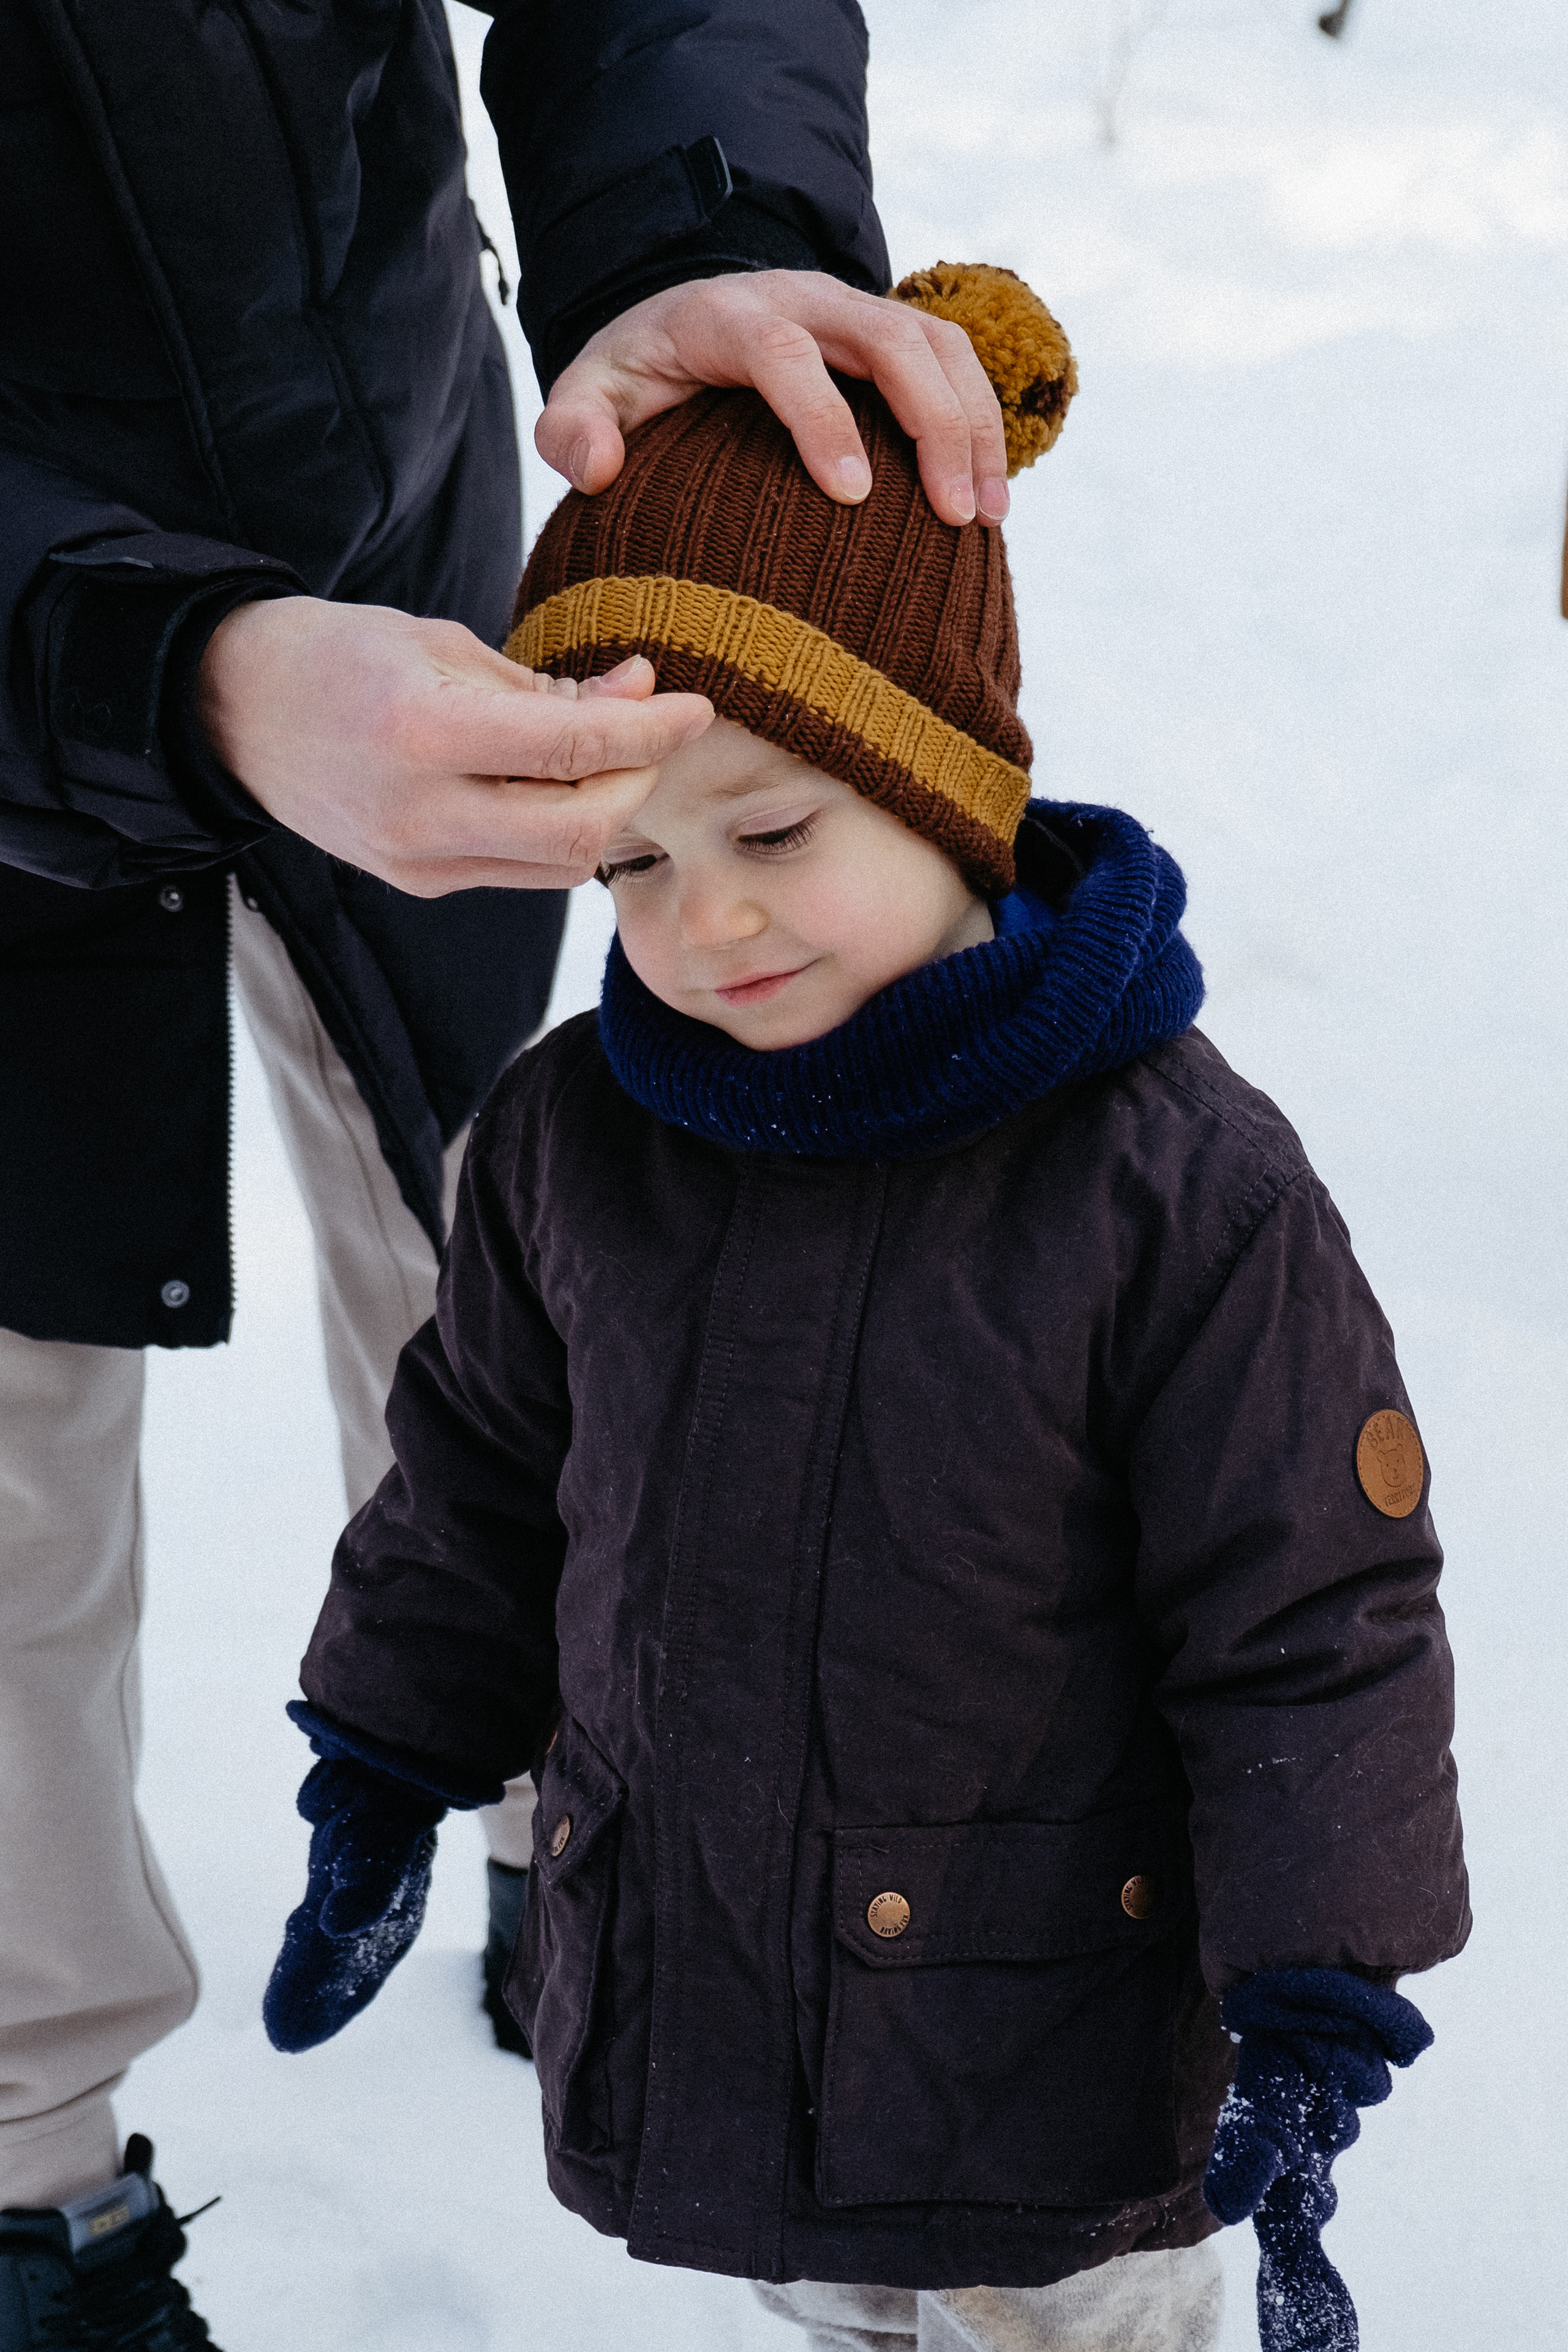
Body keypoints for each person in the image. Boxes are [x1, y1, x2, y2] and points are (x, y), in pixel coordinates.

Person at [260, 264, 1471, 2352]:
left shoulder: (1168, 1183)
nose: (700, 916)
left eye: (773, 829)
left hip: (1055, 2050)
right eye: (627, 864)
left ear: (946, 785)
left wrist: (1316, 1985)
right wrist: (383, 1751)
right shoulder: (581, 1138)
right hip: (722, 1989)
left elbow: (1310, 1616)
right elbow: (478, 1483)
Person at [0, 4, 1014, 2343]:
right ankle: (35, 2187)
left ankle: (592, 1842)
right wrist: (165, 670)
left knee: (515, 1266)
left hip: (381, 459)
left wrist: (712, 219)